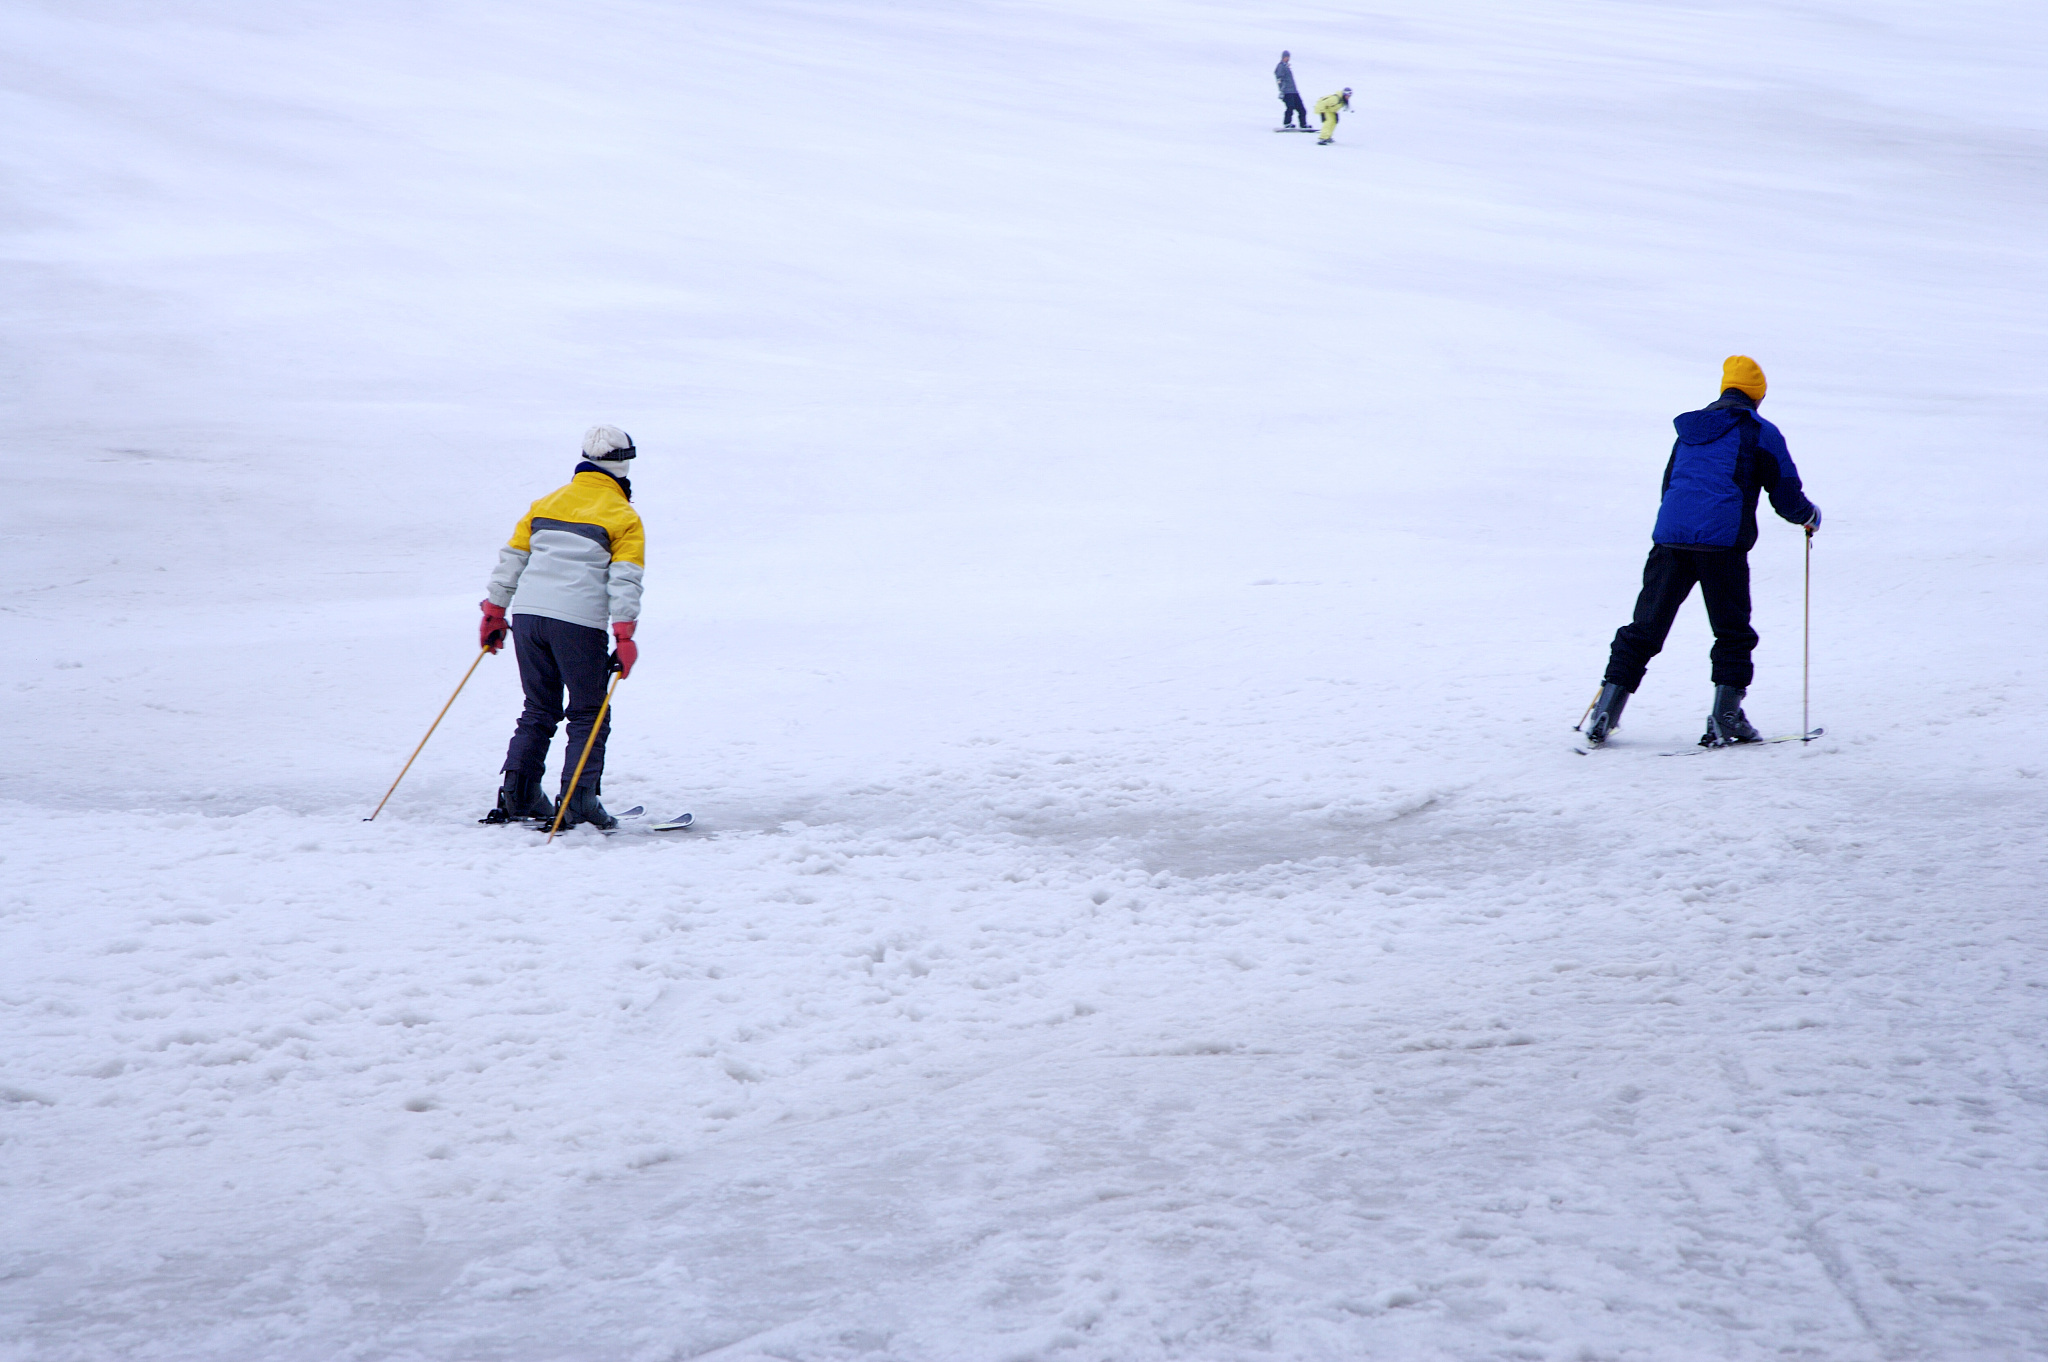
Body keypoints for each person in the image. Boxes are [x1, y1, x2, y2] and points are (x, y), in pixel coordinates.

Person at [1584, 357, 1820, 748]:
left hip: (1670, 539)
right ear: (1757, 396)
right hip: (1721, 545)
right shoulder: (1761, 432)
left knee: (1645, 628)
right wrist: (1808, 517)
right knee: (1732, 632)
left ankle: (1605, 711)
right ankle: (1726, 718)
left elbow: (1669, 486)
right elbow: (1785, 495)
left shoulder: (1689, 432)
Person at [478, 426, 646, 829]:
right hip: (579, 624)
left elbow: (512, 560)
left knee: (539, 708)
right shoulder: (624, 516)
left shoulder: (545, 503)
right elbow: (625, 579)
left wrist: (494, 613)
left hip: (529, 618)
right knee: (589, 713)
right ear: (623, 464)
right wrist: (624, 636)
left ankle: (519, 795)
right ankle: (579, 800)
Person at [1275, 51, 1310, 130]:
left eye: (1288, 57)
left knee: (1301, 108)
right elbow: (1279, 79)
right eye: (1286, 57)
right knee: (1290, 107)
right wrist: (1281, 90)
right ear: (1283, 57)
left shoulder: (1287, 66)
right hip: (1287, 91)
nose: (1287, 58)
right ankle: (1287, 123)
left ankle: (1303, 124)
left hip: (1294, 91)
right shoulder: (1281, 66)